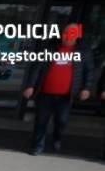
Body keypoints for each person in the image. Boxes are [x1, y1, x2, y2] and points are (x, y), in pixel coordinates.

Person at [22, 24, 94, 156]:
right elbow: (36, 68)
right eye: (66, 33)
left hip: (65, 96)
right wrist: (30, 85)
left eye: (72, 34)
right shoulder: (50, 48)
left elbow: (89, 71)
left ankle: (57, 138)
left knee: (61, 121)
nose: (67, 37)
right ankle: (37, 146)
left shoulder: (83, 51)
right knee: (40, 121)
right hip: (45, 93)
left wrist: (87, 88)